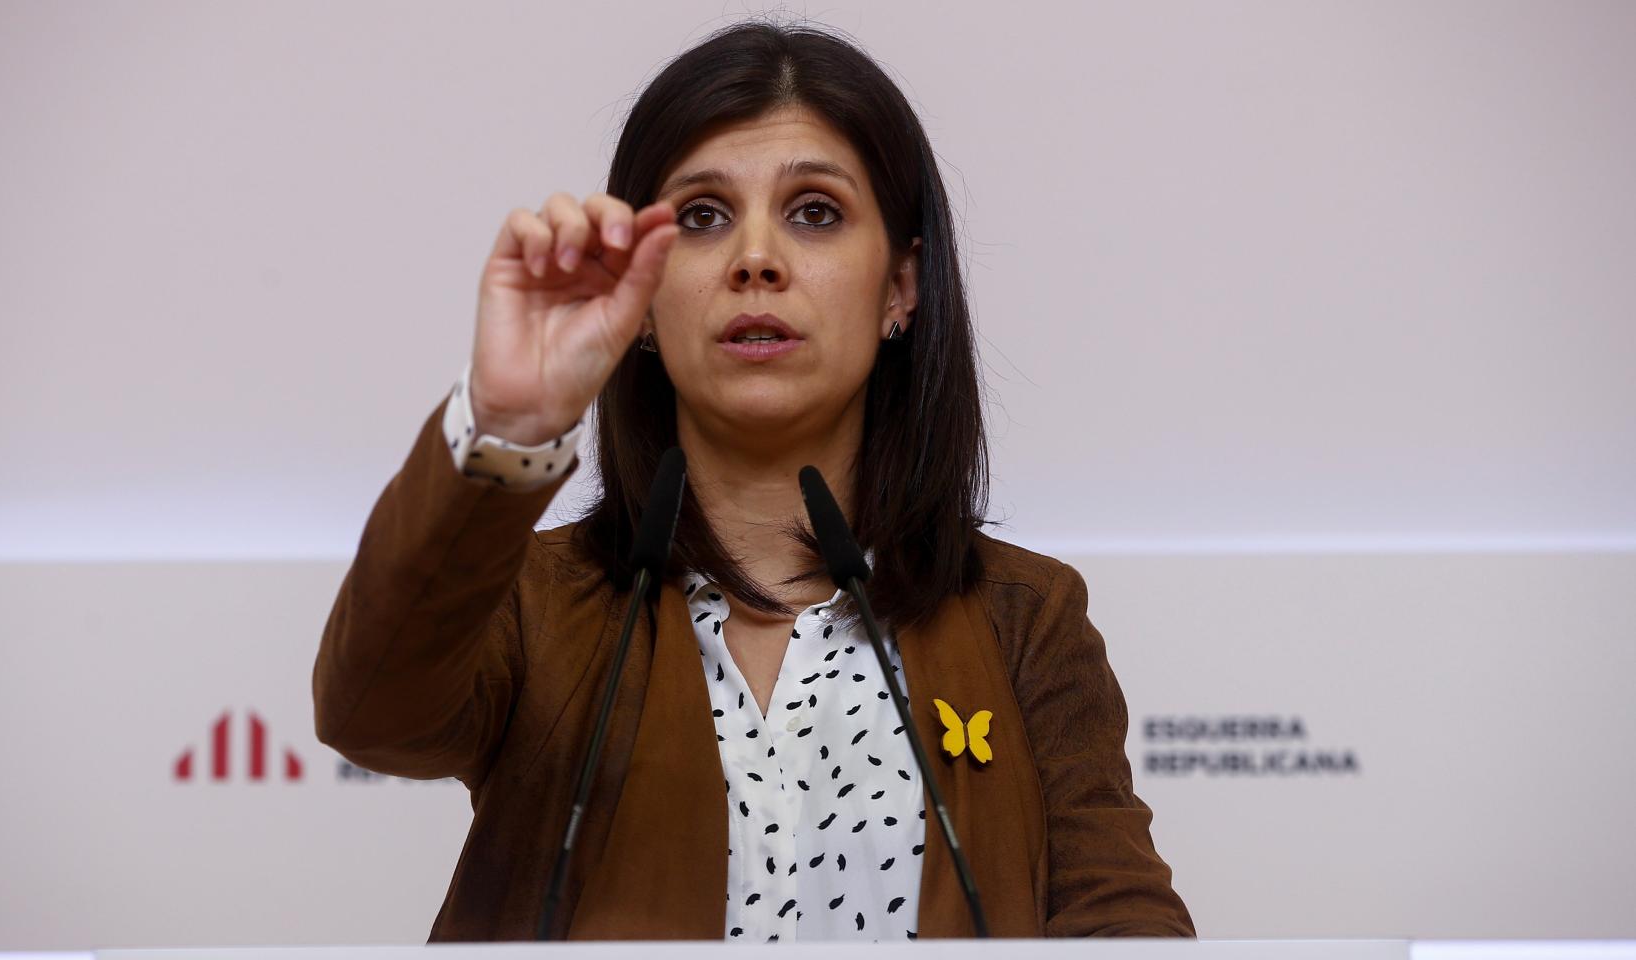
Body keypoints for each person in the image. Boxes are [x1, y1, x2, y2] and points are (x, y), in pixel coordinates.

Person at [313, 17, 1194, 943]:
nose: (755, 258)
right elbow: (372, 713)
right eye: (701, 216)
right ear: (640, 298)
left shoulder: (1025, 619)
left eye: (815, 211)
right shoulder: (535, 607)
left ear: (900, 288)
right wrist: (508, 424)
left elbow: (1122, 923)